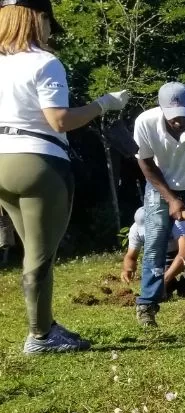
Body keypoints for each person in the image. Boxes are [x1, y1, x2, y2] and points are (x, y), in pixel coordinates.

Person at [0, 0, 129, 354]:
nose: (49, 29)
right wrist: (104, 104)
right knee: (40, 255)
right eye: (47, 21)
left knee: (32, 252)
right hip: (39, 161)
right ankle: (39, 337)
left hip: (1, 161)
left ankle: (45, 326)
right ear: (36, 17)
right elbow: (59, 120)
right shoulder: (45, 62)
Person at [132, 82, 185, 328]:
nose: (179, 122)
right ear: (161, 109)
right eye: (173, 117)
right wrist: (172, 199)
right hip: (160, 184)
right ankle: (147, 306)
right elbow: (146, 164)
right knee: (155, 241)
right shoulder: (145, 122)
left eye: (183, 116)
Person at [121, 207, 185, 296]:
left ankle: (184, 286)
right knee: (159, 292)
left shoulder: (175, 222)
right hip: (162, 257)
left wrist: (164, 280)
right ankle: (170, 286)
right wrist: (127, 269)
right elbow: (131, 256)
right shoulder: (135, 229)